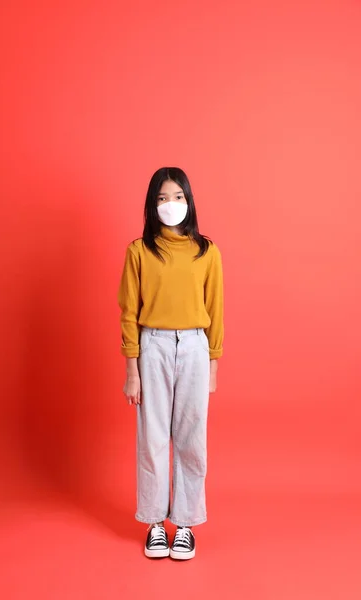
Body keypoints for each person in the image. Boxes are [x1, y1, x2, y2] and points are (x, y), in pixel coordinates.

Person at [118, 167, 224, 560]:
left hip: (195, 347)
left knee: (192, 438)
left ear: (189, 200)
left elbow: (216, 308)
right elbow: (129, 311)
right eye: (162, 198)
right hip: (154, 346)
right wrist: (133, 370)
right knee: (153, 437)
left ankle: (185, 525)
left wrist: (213, 365)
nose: (170, 204)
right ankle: (153, 523)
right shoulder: (139, 251)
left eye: (177, 196)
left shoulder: (206, 251)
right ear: (152, 204)